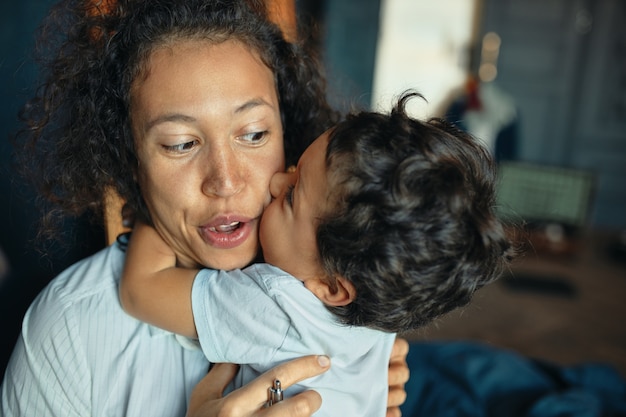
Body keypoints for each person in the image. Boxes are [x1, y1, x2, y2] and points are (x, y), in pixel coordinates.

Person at [0, 0, 409, 416]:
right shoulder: (70, 333)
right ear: (129, 156)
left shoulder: (347, 271)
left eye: (253, 135)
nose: (226, 182)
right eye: (181, 144)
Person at [119, 91, 515, 416]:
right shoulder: (379, 311)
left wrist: (156, 208)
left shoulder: (276, 303)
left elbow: (141, 290)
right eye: (293, 168)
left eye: (291, 196)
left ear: (331, 286)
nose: (275, 182)